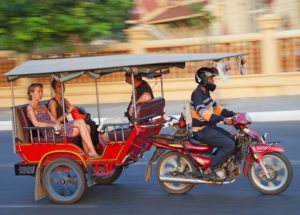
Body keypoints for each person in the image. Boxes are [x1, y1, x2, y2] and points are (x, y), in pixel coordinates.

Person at [26, 83, 99, 158]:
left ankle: (88, 153)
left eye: (41, 91)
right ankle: (92, 151)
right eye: (39, 91)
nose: (41, 93)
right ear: (31, 93)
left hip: (57, 128)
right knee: (81, 123)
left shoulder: (43, 107)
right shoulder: (30, 108)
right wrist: (53, 125)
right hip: (50, 132)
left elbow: (54, 120)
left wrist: (59, 124)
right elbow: (36, 124)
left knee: (86, 126)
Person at [191, 67, 236, 180]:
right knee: (229, 145)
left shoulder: (205, 93)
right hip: (201, 130)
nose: (213, 81)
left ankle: (217, 162)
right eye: (211, 79)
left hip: (209, 128)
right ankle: (209, 170)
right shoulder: (197, 95)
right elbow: (204, 113)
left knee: (232, 139)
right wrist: (223, 119)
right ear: (203, 79)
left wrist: (234, 114)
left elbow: (217, 109)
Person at [48, 79, 99, 147]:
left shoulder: (64, 100)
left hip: (70, 122)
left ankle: (94, 147)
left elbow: (72, 109)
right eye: (59, 86)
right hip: (63, 126)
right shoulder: (53, 102)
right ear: (54, 89)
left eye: (63, 85)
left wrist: (75, 108)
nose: (62, 87)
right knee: (88, 125)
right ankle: (93, 147)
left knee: (92, 124)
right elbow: (55, 121)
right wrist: (68, 112)